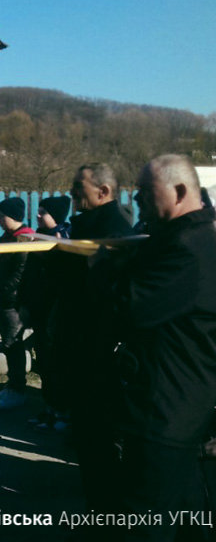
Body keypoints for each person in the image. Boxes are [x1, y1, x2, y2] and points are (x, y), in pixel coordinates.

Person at [105, 155, 216, 542]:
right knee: (187, 519)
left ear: (179, 192)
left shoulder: (186, 249)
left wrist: (104, 267)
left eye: (145, 192)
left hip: (164, 412)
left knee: (143, 520)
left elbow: (126, 309)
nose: (137, 201)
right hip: (184, 406)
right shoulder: (195, 238)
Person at [52, 163, 134, 514]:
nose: (72, 193)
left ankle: (106, 515)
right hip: (80, 348)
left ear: (103, 192)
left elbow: (108, 297)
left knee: (100, 438)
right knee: (87, 439)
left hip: (99, 354)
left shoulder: (115, 233)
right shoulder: (86, 226)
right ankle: (97, 508)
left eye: (78, 186)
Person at [18, 195, 72, 431]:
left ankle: (63, 412)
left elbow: (65, 275)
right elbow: (29, 275)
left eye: (44, 212)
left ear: (56, 215)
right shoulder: (39, 237)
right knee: (45, 364)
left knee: (58, 364)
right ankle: (50, 409)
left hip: (56, 311)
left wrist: (56, 253)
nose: (38, 215)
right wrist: (24, 304)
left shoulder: (66, 239)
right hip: (39, 309)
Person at [0, 196, 34, 409]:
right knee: (8, 344)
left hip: (14, 302)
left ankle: (18, 390)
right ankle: (12, 385)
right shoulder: (4, 239)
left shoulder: (25, 241)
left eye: (2, 216)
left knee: (13, 344)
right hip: (2, 300)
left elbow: (19, 274)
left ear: (13, 216)